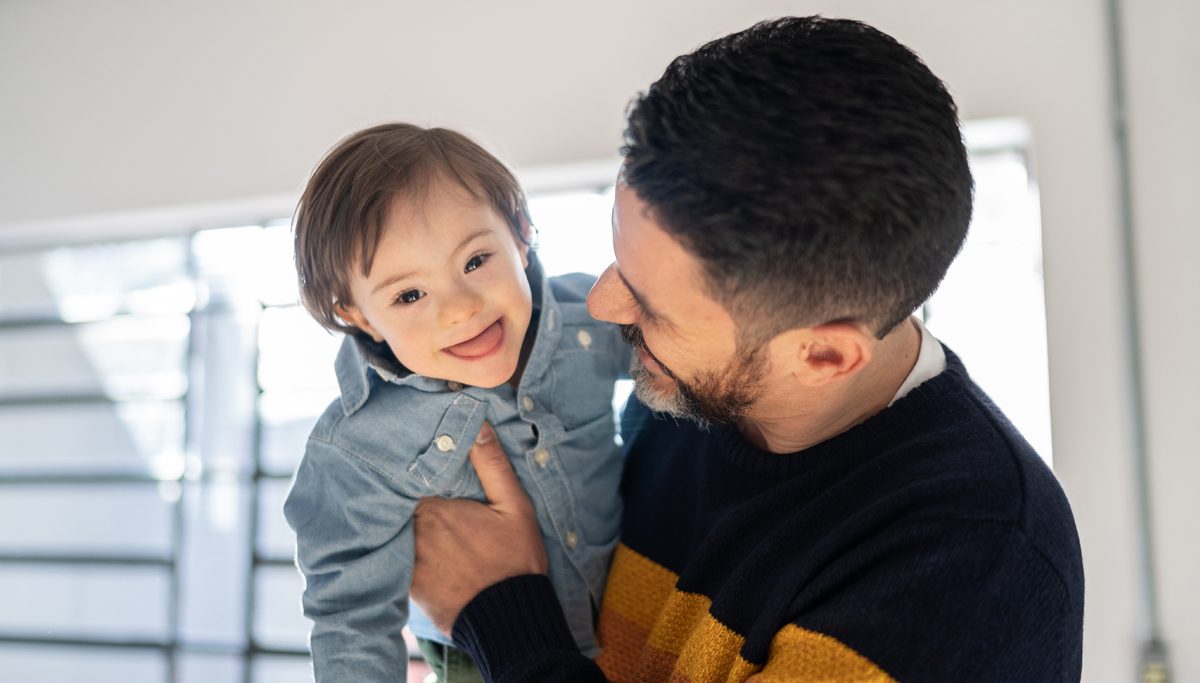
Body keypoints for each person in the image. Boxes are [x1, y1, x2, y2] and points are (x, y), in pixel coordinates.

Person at [409, 16, 1085, 683]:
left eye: (652, 303)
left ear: (823, 356)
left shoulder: (972, 566)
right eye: (618, 258)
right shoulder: (685, 391)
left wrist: (499, 612)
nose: (603, 306)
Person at [283, 123, 630, 682]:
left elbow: (689, 352)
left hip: (636, 617)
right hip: (482, 661)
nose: (460, 309)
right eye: (410, 295)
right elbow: (351, 615)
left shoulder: (585, 320)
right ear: (359, 315)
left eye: (474, 262)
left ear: (520, 236)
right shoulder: (358, 447)